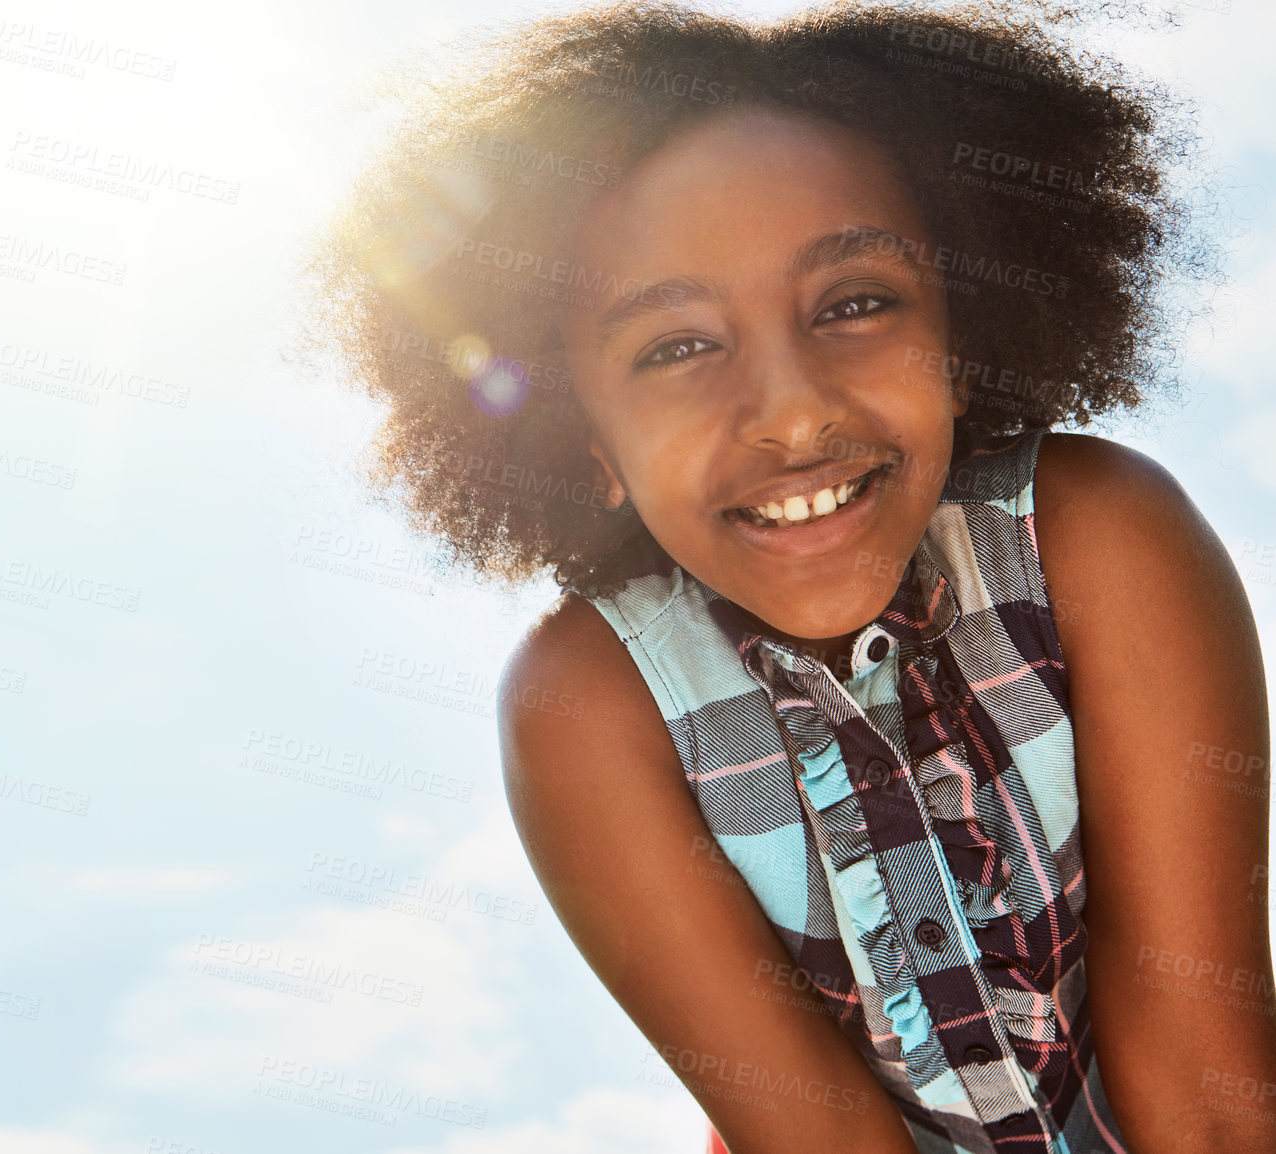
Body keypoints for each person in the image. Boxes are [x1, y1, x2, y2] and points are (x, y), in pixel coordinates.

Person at [305, 3, 1276, 1150]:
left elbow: (1211, 1093)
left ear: (961, 343)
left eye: (855, 302)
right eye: (675, 347)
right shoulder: (591, 707)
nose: (796, 410)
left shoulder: (1100, 535)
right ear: (587, 444)